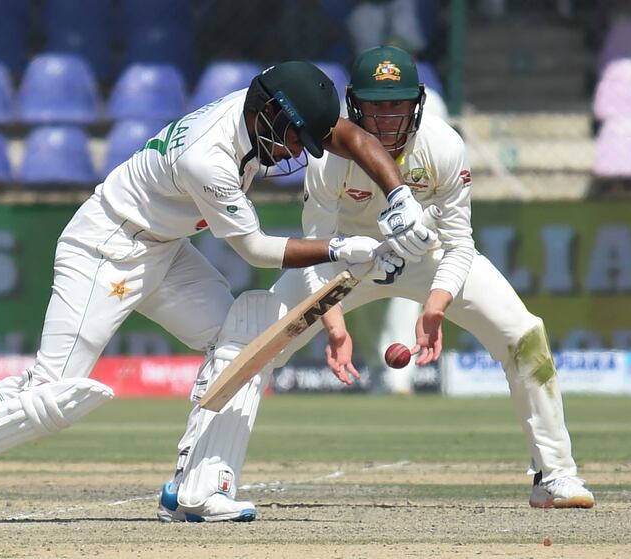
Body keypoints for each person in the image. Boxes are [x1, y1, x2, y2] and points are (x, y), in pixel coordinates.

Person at [0, 61, 436, 523]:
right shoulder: (207, 158)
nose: (295, 153)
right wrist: (347, 249)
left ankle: (199, 488)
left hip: (163, 249)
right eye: (293, 139)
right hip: (106, 248)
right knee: (53, 394)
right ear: (269, 114)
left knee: (247, 334)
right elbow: (257, 250)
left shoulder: (265, 106)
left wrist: (398, 198)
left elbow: (348, 135)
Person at [159, 46, 595, 523]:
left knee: (524, 333)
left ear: (418, 103)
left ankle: (555, 474)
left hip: (427, 257)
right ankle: (196, 480)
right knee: (254, 339)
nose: (388, 119)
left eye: (399, 105)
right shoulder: (328, 159)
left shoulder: (444, 147)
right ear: (353, 105)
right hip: (349, 258)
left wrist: (436, 304)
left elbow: (459, 242)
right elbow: (317, 245)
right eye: (376, 106)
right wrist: (334, 322)